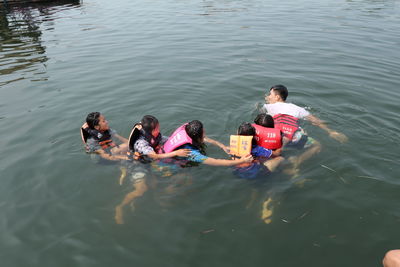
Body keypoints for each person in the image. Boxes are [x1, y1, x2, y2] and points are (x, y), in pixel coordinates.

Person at [114, 115, 190, 224]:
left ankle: (150, 205)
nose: (159, 129)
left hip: (148, 164)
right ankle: (120, 207)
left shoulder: (155, 136)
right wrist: (176, 153)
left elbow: (169, 141)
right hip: (136, 165)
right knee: (141, 190)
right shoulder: (141, 143)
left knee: (154, 185)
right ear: (152, 130)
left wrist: (182, 144)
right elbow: (154, 156)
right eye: (158, 128)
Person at [261, 85, 348, 172]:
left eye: (270, 94)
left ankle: (276, 163)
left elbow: (262, 119)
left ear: (277, 97)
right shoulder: (297, 109)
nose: (268, 96)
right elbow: (315, 120)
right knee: (317, 145)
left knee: (275, 150)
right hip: (295, 136)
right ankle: (297, 161)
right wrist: (331, 131)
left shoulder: (267, 106)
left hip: (275, 134)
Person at [166, 120, 253, 167]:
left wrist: (222, 146)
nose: (205, 133)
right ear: (198, 137)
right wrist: (242, 161)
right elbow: (215, 162)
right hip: (167, 165)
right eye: (203, 133)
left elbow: (205, 139)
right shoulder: (191, 153)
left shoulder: (187, 131)